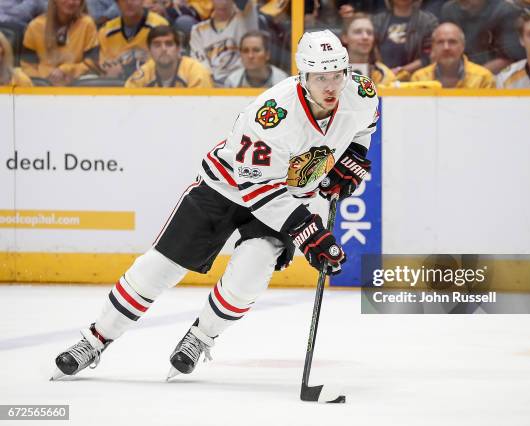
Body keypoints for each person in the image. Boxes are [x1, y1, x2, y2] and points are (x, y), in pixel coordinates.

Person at [51, 29, 379, 381]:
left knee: (251, 271)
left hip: (289, 196)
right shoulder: (272, 115)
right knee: (160, 267)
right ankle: (95, 339)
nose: (331, 86)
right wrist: (308, 232)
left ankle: (199, 337)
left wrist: (353, 156)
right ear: (302, 76)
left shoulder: (361, 93)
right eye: (320, 78)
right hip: (227, 186)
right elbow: (257, 190)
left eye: (337, 76)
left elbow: (365, 125)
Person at [21, 0, 98, 85]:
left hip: (75, 85)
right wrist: (44, 81)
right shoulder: (35, 26)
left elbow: (92, 63)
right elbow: (27, 65)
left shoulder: (87, 24)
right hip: (42, 86)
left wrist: (65, 70)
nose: (71, 2)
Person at [440, 0, 526, 74]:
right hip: (459, 76)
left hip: (496, 79)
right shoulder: (449, 10)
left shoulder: (506, 11)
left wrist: (473, 78)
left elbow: (509, 59)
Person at [190, 0, 258, 86]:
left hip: (242, 83)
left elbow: (248, 4)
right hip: (211, 86)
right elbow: (200, 63)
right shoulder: (198, 30)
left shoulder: (246, 18)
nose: (223, 2)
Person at [98, 0, 169, 81]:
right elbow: (104, 67)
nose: (128, 2)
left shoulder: (159, 25)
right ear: (117, 3)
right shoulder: (106, 31)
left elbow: (166, 65)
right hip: (117, 86)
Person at [411, 22, 495, 88]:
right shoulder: (419, 78)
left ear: (462, 46)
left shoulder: (483, 78)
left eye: (452, 42)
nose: (446, 47)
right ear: (433, 47)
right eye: (440, 42)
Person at [125, 25, 213, 87]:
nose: (163, 49)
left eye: (169, 44)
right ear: (149, 51)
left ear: (178, 48)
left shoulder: (196, 72)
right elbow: (127, 106)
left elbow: (199, 110)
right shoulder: (142, 74)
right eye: (157, 45)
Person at [372, 0, 439, 81]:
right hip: (381, 79)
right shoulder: (377, 21)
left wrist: (401, 71)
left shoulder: (428, 21)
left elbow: (429, 56)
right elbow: (372, 51)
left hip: (417, 80)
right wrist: (385, 72)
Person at [341, 12, 397, 86]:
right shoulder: (331, 72)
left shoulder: (385, 74)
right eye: (358, 32)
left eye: (369, 33)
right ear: (345, 38)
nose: (365, 37)